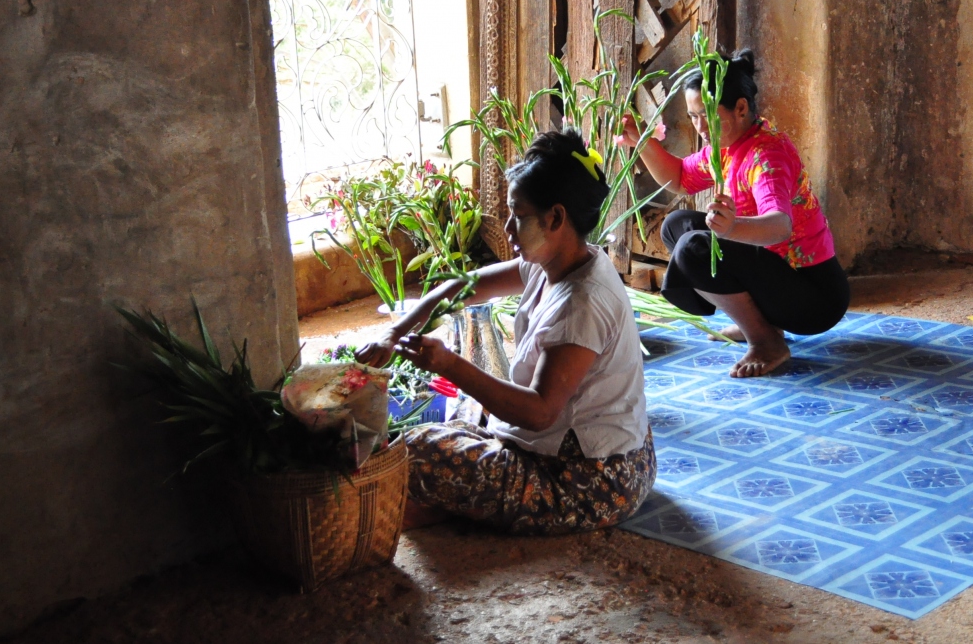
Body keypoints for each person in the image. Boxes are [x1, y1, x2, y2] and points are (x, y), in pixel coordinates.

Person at [357, 129, 655, 535]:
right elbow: (462, 287)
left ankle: (449, 507)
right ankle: (459, 505)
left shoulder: (581, 302)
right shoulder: (553, 262)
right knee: (464, 413)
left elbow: (539, 413)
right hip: (585, 451)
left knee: (417, 451)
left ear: (555, 218)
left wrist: (448, 363)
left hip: (592, 480)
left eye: (518, 216)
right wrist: (393, 333)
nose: (508, 228)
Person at [619, 49, 849, 378]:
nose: (699, 126)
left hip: (814, 297)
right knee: (676, 226)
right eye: (693, 116)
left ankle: (766, 340)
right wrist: (642, 142)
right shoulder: (726, 147)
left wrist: (732, 228)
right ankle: (760, 320)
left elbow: (780, 226)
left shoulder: (766, 154)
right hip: (776, 277)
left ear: (740, 108)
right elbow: (681, 179)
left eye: (706, 115)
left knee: (693, 249)